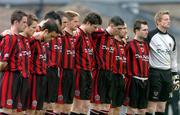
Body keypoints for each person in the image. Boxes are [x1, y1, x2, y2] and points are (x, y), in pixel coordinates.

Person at [90, 16, 125, 115]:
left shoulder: (113, 39)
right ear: (111, 26)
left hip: (109, 74)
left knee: (106, 105)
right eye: (119, 28)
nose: (120, 31)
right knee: (96, 105)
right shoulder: (99, 34)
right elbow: (84, 30)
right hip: (98, 73)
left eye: (122, 28)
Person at [146, 10, 178, 115]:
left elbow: (174, 59)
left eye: (169, 19)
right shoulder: (150, 36)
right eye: (166, 19)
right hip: (155, 73)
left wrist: (176, 78)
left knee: (162, 107)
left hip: (167, 74)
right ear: (158, 22)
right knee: (151, 106)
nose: (169, 21)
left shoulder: (171, 38)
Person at [70, 12, 102, 115]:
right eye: (94, 27)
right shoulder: (78, 34)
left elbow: (103, 32)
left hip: (88, 73)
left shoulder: (89, 35)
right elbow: (70, 53)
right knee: (77, 105)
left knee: (86, 106)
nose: (95, 29)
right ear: (88, 23)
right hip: (79, 73)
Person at [28, 19, 59, 115]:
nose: (52, 39)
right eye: (51, 36)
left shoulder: (44, 42)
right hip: (33, 79)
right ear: (45, 31)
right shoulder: (32, 41)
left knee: (39, 110)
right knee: (30, 110)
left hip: (42, 79)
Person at [0, 10, 28, 114]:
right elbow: (3, 63)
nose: (26, 25)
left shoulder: (19, 38)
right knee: (6, 110)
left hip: (18, 77)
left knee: (14, 111)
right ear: (16, 22)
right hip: (9, 77)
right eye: (24, 22)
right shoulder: (10, 38)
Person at [55, 10, 80, 115]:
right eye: (75, 21)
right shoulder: (61, 35)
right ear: (67, 22)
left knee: (68, 106)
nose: (77, 24)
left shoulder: (75, 37)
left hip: (72, 73)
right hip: (62, 72)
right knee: (58, 105)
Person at [125, 19, 149, 115]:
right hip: (134, 81)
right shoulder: (129, 45)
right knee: (132, 109)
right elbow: (125, 64)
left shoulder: (147, 45)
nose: (146, 32)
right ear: (136, 30)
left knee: (142, 110)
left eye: (147, 29)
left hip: (146, 81)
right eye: (144, 30)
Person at [109, 18, 127, 115]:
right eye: (123, 28)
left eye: (126, 28)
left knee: (117, 107)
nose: (126, 31)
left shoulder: (124, 44)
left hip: (121, 78)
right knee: (110, 107)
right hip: (112, 77)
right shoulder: (111, 42)